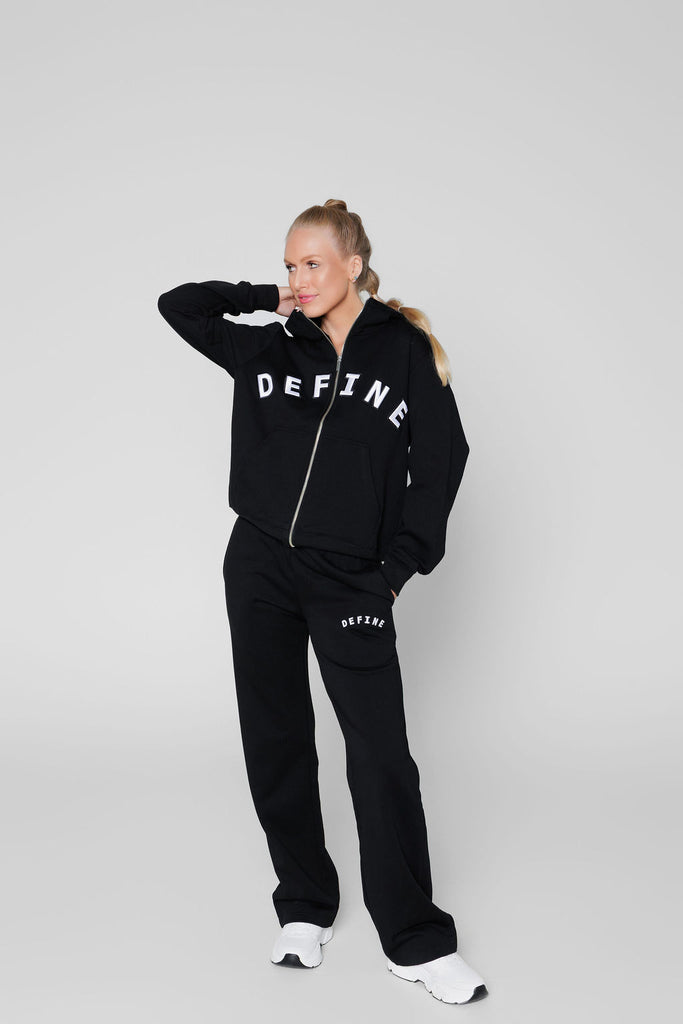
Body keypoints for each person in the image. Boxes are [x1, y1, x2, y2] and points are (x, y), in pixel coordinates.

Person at [157, 199, 488, 1005]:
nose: (298, 278)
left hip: (351, 578)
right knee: (275, 739)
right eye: (289, 264)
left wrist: (397, 569)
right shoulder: (269, 343)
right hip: (259, 564)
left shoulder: (402, 351)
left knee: (379, 755)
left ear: (353, 264)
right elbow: (178, 306)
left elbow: (442, 460)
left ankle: (415, 939)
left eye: (311, 263)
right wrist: (265, 299)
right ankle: (304, 904)